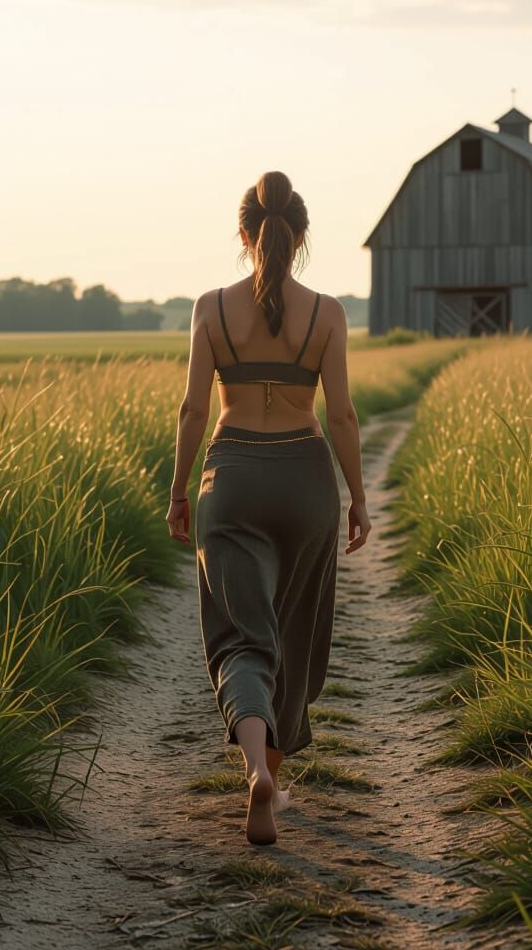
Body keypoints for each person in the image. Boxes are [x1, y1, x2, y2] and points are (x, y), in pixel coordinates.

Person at [165, 170, 372, 845]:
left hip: (231, 479)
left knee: (242, 637)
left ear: (244, 234)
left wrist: (177, 490)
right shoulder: (329, 314)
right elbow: (340, 415)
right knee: (294, 633)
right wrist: (358, 500)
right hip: (306, 480)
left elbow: (195, 409)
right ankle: (273, 781)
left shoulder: (210, 309)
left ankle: (255, 769)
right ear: (300, 235)